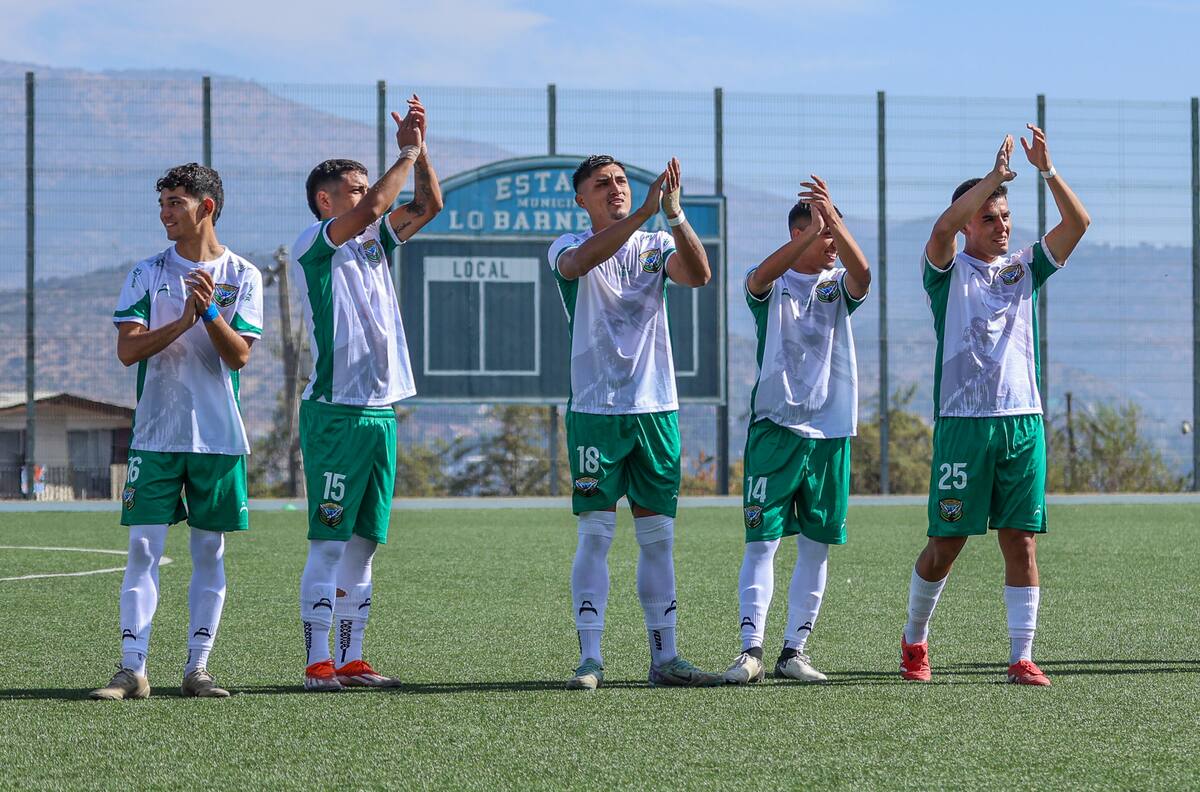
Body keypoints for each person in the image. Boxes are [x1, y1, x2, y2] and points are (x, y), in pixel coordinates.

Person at [900, 126, 1090, 686]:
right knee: (946, 544)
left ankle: (1021, 656)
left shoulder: (1025, 267)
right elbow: (941, 231)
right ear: (968, 223)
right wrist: (992, 178)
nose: (1002, 226)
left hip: (1021, 423)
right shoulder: (946, 271)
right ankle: (914, 640)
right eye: (989, 217)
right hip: (963, 427)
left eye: (1006, 217)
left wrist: (1047, 171)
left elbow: (1078, 224)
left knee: (1021, 541)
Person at [549, 154, 721, 689]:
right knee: (596, 535)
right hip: (596, 412)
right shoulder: (566, 244)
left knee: (658, 539)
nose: (616, 188)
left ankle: (665, 659)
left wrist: (674, 215)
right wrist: (646, 211)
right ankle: (590, 659)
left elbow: (699, 275)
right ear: (581, 199)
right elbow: (578, 264)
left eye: (621, 180)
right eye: (602, 184)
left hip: (655, 409)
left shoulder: (656, 242)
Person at [92, 163, 263, 700]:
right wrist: (183, 320)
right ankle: (131, 670)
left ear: (205, 207)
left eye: (175, 203)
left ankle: (198, 669)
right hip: (155, 435)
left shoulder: (244, 274)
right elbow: (128, 350)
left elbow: (238, 357)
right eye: (162, 203)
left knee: (209, 552)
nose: (165, 213)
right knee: (143, 548)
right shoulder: (146, 272)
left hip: (218, 438)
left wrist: (209, 312)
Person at [293, 95, 443, 691]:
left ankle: (352, 658)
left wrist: (421, 152)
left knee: (364, 545)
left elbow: (428, 205)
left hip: (380, 412)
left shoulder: (375, 241)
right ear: (325, 201)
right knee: (329, 542)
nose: (367, 195)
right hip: (334, 413)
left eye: (364, 187)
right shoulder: (316, 241)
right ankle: (317, 662)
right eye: (353, 189)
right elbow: (379, 204)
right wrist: (403, 152)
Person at [723, 177, 871, 685]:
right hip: (776, 430)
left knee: (816, 545)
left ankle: (794, 652)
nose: (834, 241)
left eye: (837, 231)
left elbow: (864, 275)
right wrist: (814, 229)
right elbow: (760, 277)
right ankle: (751, 651)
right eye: (826, 232)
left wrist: (834, 223)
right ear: (798, 233)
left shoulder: (838, 284)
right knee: (762, 542)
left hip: (830, 433)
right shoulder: (770, 282)